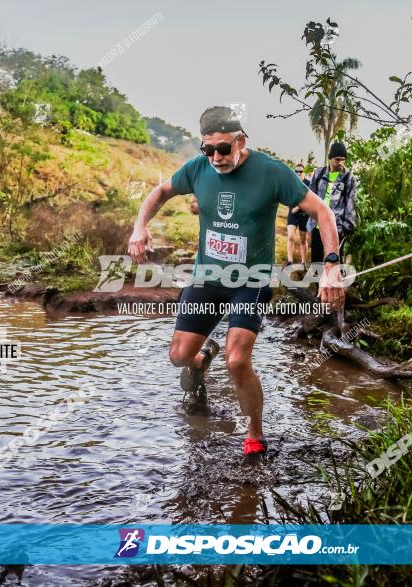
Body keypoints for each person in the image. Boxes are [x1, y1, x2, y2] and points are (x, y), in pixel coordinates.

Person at [128, 106, 344, 459]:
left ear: (241, 141)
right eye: (207, 149)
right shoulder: (198, 169)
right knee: (179, 357)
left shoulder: (272, 172)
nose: (216, 157)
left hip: (251, 279)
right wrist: (140, 227)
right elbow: (160, 191)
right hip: (207, 277)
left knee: (237, 360)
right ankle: (200, 359)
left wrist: (332, 264)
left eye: (223, 149)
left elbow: (323, 211)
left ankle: (255, 433)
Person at [307, 142, 357, 264]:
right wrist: (310, 224)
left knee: (334, 261)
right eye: (337, 159)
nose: (340, 162)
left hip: (336, 226)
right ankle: (318, 283)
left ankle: (333, 282)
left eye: (343, 160)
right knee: (317, 262)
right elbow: (311, 197)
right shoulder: (319, 174)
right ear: (330, 158)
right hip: (318, 225)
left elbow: (350, 202)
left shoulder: (348, 177)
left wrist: (348, 225)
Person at [285, 164, 311, 266]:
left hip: (304, 215)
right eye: (296, 171)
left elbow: (308, 199)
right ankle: (290, 261)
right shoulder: (291, 183)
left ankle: (303, 262)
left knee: (303, 240)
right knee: (290, 236)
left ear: (304, 172)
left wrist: (298, 207)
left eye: (301, 171)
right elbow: (287, 196)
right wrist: (290, 205)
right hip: (293, 214)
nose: (298, 173)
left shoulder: (308, 183)